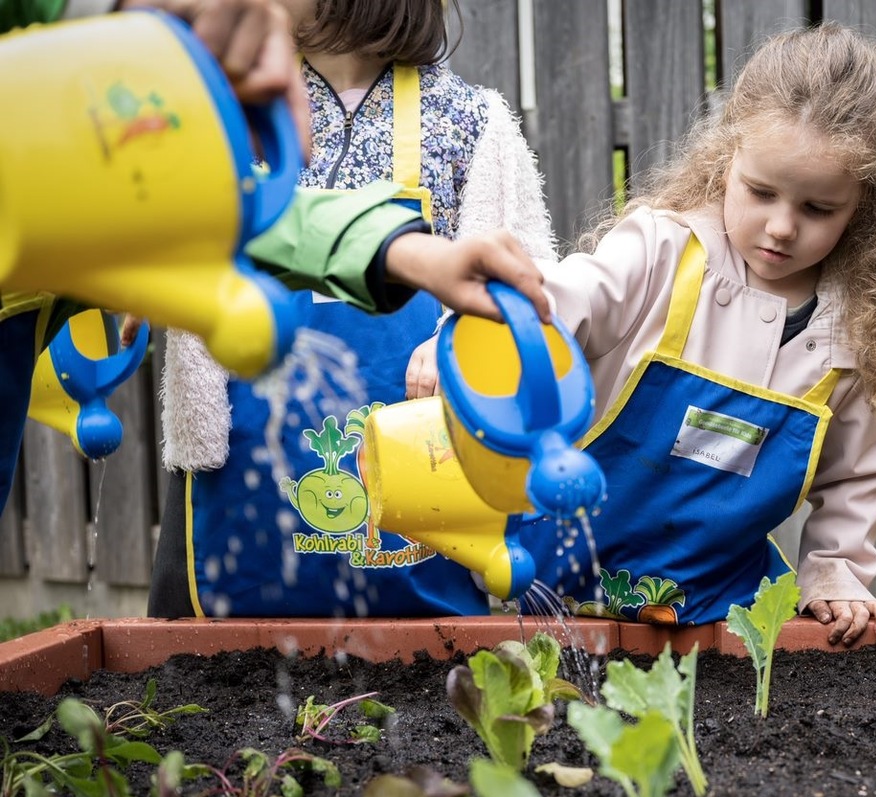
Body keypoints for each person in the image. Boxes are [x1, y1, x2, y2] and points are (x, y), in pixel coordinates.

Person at [418, 23, 876, 645]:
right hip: (553, 577)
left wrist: (835, 572)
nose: (780, 226)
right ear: (728, 164)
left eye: (817, 209)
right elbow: (565, 300)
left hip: (716, 604)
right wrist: (486, 330)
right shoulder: (662, 252)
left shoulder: (856, 328)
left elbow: (853, 476)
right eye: (761, 192)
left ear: (863, 207)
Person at [0, 0, 550, 515]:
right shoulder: (220, 108)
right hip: (237, 487)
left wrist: (409, 259)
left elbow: (241, 215)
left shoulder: (462, 122)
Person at [148, 0, 557, 618]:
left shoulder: (469, 124)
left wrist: (461, 343)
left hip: (426, 462)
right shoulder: (231, 111)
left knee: (419, 675)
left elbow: (523, 285)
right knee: (212, 668)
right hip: (240, 458)